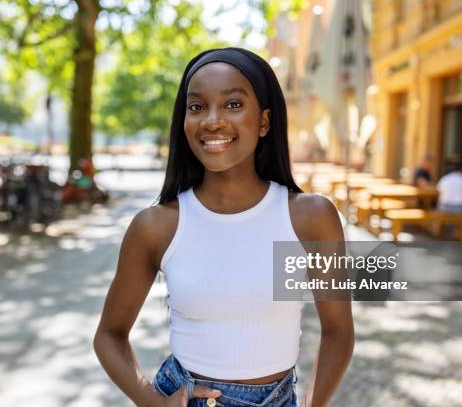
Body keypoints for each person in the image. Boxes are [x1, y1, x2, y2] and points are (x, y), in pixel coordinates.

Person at [93, 48, 354, 407]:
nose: (212, 121)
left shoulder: (309, 218)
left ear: (264, 122)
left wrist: (314, 403)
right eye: (197, 107)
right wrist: (152, 402)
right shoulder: (156, 226)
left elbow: (339, 331)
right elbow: (109, 334)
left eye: (233, 104)